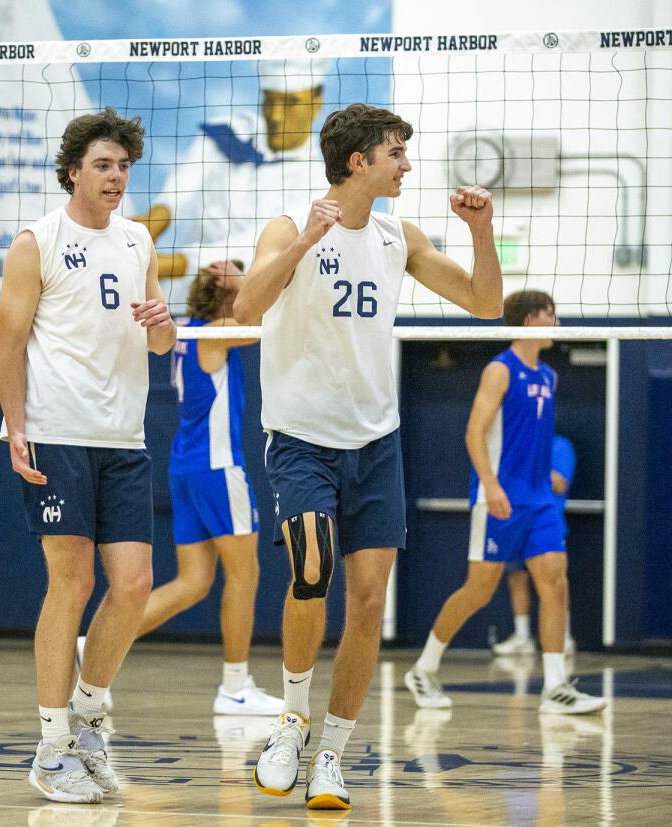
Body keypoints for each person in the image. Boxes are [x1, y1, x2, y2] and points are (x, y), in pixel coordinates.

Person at [234, 102, 504, 810]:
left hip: (375, 441)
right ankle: (292, 718)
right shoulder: (290, 225)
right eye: (396, 152)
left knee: (370, 599)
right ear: (359, 161)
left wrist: (482, 232)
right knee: (312, 569)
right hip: (300, 437)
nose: (406, 165)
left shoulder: (397, 236)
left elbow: (484, 302)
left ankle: (332, 753)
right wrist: (302, 246)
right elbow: (245, 307)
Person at [0, 106, 176, 804]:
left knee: (132, 585)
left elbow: (160, 341)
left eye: (124, 166)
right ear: (73, 169)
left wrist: (165, 327)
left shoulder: (137, 242)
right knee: (69, 583)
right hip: (55, 430)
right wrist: (15, 426)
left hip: (122, 436)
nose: (116, 176)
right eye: (103, 164)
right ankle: (50, 746)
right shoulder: (36, 240)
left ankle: (90, 713)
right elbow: (10, 346)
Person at [404, 292, 604, 716]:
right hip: (499, 499)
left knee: (555, 584)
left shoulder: (548, 375)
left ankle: (555, 687)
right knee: (479, 590)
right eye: (552, 314)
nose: (557, 322)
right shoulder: (500, 370)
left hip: (539, 502)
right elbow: (474, 433)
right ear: (530, 319)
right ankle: (423, 668)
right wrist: (491, 485)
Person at [134, 259, 283, 715]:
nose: (247, 274)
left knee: (194, 582)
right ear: (223, 287)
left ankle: (93, 641)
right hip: (219, 468)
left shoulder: (186, 330)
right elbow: (266, 317)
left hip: (186, 467)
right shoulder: (217, 330)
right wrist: (250, 281)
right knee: (245, 574)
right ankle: (236, 686)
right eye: (239, 271)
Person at [139, 59, 328, 279]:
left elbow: (263, 246)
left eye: (290, 103)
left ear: (317, 102)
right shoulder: (229, 133)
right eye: (269, 101)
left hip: (251, 297)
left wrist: (171, 265)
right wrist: (149, 225)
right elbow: (180, 191)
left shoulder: (323, 176)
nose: (275, 116)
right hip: (179, 292)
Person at [492, 433, 577, 656]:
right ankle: (522, 636)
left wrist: (529, 473)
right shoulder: (515, 446)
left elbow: (559, 483)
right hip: (516, 519)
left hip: (547, 520)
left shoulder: (559, 445)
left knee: (554, 581)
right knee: (515, 576)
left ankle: (563, 635)